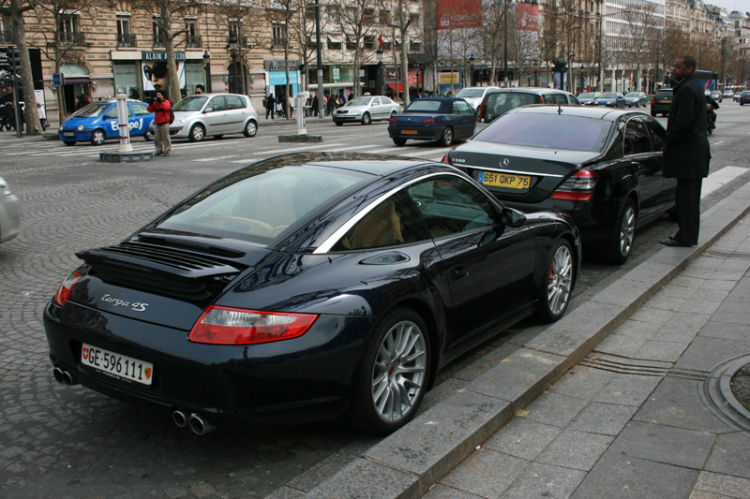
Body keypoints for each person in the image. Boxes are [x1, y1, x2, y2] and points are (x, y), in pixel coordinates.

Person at [660, 55, 710, 248]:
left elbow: (683, 122)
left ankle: (686, 236)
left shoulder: (687, 89)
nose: (674, 69)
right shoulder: (692, 86)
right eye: (674, 65)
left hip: (689, 154)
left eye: (677, 67)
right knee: (689, 198)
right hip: (694, 153)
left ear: (689, 69)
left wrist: (668, 140)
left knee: (687, 199)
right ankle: (686, 234)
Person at [147, 89, 172, 157]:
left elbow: (167, 108)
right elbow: (150, 110)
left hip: (164, 123)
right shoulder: (155, 103)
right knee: (157, 138)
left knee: (165, 137)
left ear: (162, 96)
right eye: (157, 95)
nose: (157, 96)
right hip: (157, 123)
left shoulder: (166, 102)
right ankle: (159, 150)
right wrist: (151, 104)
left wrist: (161, 102)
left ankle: (167, 150)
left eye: (159, 95)